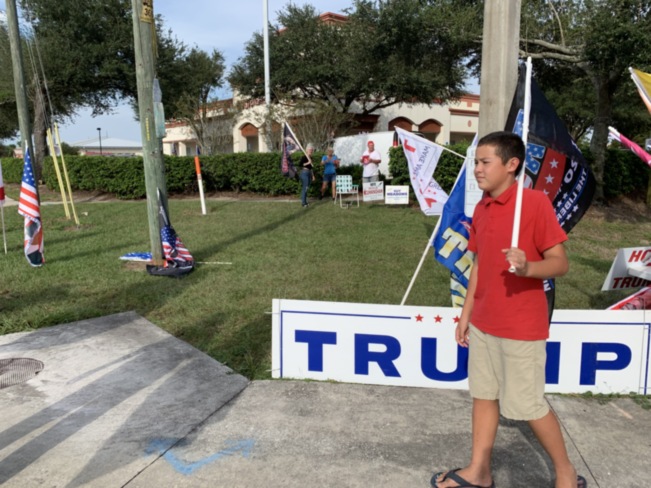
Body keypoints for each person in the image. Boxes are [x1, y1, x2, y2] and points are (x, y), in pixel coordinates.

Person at [432, 132, 586, 488]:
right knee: (483, 396)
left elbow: (560, 263)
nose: (478, 169)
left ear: (512, 164)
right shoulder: (482, 207)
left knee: (527, 406)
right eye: (476, 162)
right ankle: (479, 471)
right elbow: (480, 265)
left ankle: (566, 473)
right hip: (484, 323)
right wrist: (466, 314)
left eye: (485, 162)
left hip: (520, 326)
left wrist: (528, 267)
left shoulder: (533, 204)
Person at [298, 143, 315, 207]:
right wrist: (308, 162)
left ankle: (305, 201)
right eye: (310, 150)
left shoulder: (311, 158)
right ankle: (303, 203)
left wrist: (313, 176)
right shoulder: (304, 157)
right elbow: (300, 164)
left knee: (306, 188)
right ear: (307, 150)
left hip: (309, 173)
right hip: (304, 173)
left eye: (312, 150)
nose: (311, 151)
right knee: (305, 188)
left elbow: (311, 168)